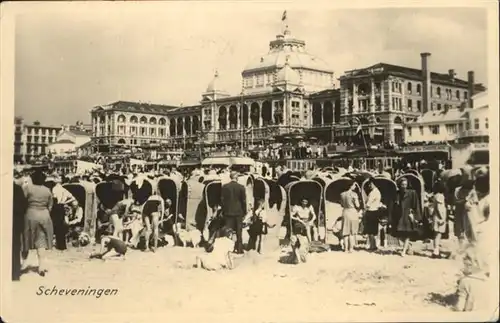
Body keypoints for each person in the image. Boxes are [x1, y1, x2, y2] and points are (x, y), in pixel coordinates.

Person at [21, 171, 54, 277]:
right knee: (41, 241)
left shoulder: (27, 188)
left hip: (30, 214)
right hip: (44, 215)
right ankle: (41, 267)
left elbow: (22, 201)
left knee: (26, 239)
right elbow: (50, 206)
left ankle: (22, 264)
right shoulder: (47, 190)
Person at [392, 178, 422, 257]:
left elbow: (416, 205)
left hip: (408, 215)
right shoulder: (397, 194)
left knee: (407, 234)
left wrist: (417, 217)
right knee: (399, 234)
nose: (404, 186)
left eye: (405, 184)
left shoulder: (412, 193)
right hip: (400, 217)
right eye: (402, 185)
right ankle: (409, 247)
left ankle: (404, 251)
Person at [454, 247, 488, 312]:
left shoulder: (465, 281)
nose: (461, 269)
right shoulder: (490, 280)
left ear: (470, 265)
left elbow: (459, 307)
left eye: (463, 264)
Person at [221, 171, 247, 254]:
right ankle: (239, 249)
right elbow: (243, 201)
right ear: (237, 177)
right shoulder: (241, 187)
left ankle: (228, 249)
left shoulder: (225, 187)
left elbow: (222, 200)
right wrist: (244, 212)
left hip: (228, 212)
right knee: (239, 232)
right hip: (238, 212)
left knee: (228, 231)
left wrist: (223, 210)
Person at [50, 175, 76, 250]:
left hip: (55, 207)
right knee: (61, 226)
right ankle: (62, 245)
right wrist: (65, 202)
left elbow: (54, 198)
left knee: (55, 225)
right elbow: (73, 198)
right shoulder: (64, 189)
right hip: (61, 207)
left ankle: (56, 244)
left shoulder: (54, 189)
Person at [12, 172, 27, 281]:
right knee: (15, 247)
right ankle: (15, 273)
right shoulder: (17, 189)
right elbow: (23, 207)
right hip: (15, 223)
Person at [340, 181, 361, 253]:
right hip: (352, 212)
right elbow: (357, 205)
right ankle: (351, 248)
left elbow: (342, 204)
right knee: (352, 232)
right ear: (350, 186)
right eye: (354, 185)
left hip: (345, 212)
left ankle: (345, 249)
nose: (355, 187)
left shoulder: (342, 194)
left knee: (345, 232)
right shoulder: (354, 194)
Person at [363, 178, 384, 251]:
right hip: (374, 211)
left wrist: (364, 209)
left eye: (371, 184)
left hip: (372, 211)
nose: (369, 185)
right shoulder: (376, 192)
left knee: (371, 230)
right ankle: (373, 245)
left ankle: (373, 245)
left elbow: (368, 203)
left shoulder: (374, 192)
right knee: (372, 230)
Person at [431, 181, 447, 258]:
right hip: (439, 217)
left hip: (435, 216)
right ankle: (436, 251)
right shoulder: (440, 196)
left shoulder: (435, 195)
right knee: (438, 235)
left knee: (435, 235)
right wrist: (442, 218)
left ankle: (435, 250)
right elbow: (439, 208)